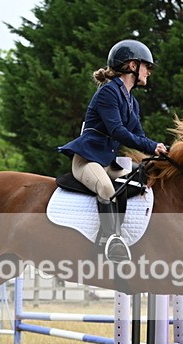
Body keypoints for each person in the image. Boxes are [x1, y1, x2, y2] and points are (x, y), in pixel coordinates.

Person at [58, 39, 169, 263]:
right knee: (106, 188)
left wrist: (160, 150)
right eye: (146, 66)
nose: (149, 72)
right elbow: (117, 131)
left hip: (107, 163)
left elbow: (139, 135)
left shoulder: (131, 102)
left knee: (141, 179)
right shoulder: (109, 92)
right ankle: (110, 240)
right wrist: (150, 146)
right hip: (87, 160)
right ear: (131, 66)